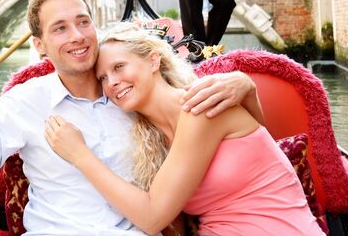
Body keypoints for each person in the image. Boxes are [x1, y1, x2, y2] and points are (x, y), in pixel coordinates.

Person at [0, 0, 264, 236]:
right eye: (60, 28)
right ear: (40, 45)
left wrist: (246, 87)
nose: (77, 35)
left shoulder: (135, 94)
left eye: (83, 22)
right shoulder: (25, 102)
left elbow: (244, 140)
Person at [45, 22, 324, 236]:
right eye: (103, 78)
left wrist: (81, 156)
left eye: (119, 67)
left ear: (153, 61)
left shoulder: (201, 107)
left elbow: (152, 217)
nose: (112, 82)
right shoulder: (152, 143)